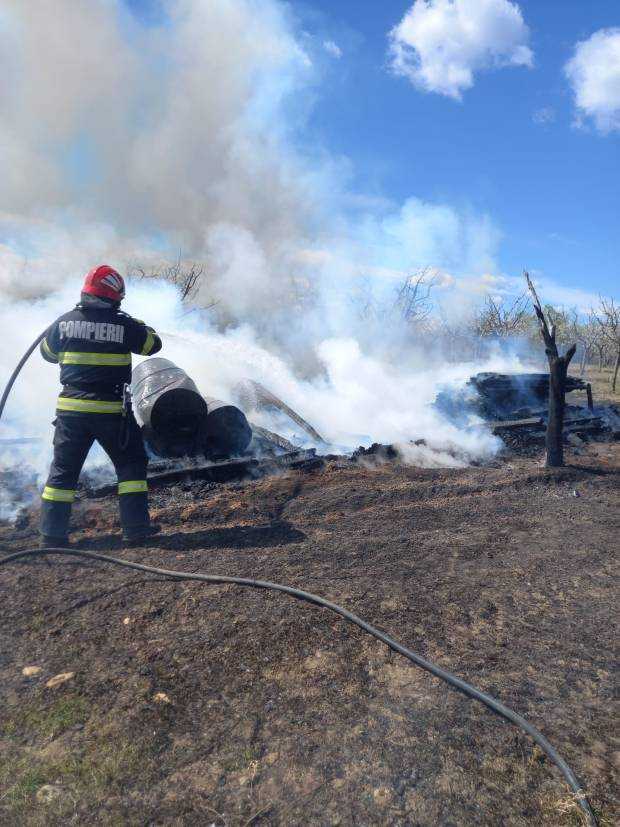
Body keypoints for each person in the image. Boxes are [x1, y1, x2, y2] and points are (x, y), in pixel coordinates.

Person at [39, 265, 162, 548]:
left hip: (71, 412)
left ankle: (52, 536)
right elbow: (152, 345)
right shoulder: (124, 324)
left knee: (63, 471)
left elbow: (47, 354)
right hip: (110, 413)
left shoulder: (64, 322)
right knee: (130, 466)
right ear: (116, 295)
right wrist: (138, 324)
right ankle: (136, 531)